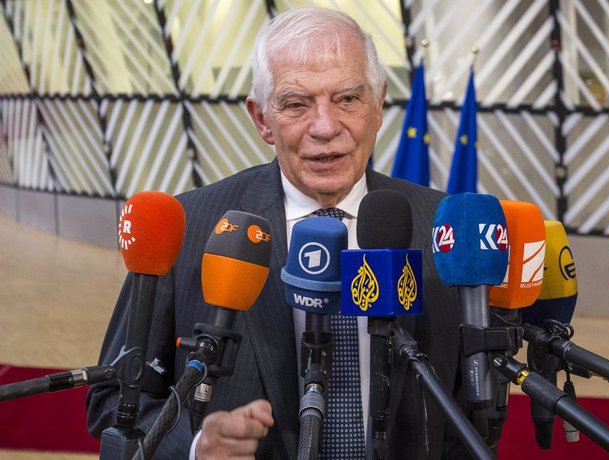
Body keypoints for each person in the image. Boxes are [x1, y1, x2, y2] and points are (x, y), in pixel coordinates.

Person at [87, 7, 462, 459]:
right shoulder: (191, 227)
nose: (325, 128)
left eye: (347, 98)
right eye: (296, 104)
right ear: (261, 118)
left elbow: (470, 412)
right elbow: (113, 402)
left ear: (379, 103)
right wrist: (195, 446)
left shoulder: (445, 225)